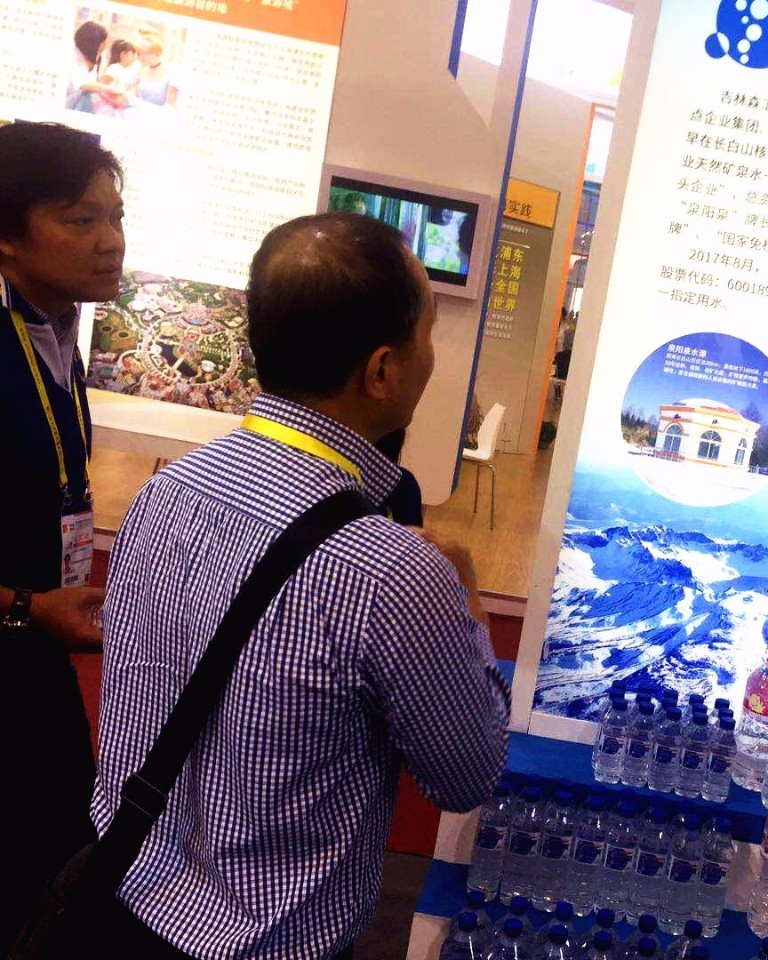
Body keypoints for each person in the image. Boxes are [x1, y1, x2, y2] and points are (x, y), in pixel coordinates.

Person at [93, 213, 511, 958]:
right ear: (381, 371)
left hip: (121, 906)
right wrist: (468, 599)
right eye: (428, 336)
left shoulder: (165, 492)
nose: (432, 357)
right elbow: (466, 773)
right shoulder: (394, 571)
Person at [0, 121, 124, 951]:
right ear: (7, 235)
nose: (111, 241)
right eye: (81, 220)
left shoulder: (55, 329)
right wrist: (24, 608)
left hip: (34, 659)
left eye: (116, 217)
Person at [97, 39, 140, 117]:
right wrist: (112, 100)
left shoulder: (131, 71)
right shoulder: (113, 69)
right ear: (123, 55)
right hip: (110, 106)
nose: (134, 58)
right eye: (132, 55)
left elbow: (132, 89)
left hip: (125, 105)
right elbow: (101, 88)